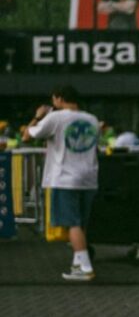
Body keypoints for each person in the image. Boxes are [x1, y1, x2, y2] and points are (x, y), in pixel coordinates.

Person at [22, 86, 100, 282]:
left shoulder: (55, 117)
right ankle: (77, 264)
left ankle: (85, 266)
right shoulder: (91, 119)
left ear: (58, 99)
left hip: (65, 177)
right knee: (81, 224)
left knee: (72, 223)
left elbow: (27, 136)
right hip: (89, 177)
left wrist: (38, 116)